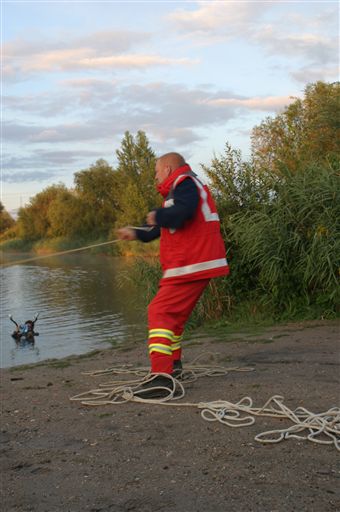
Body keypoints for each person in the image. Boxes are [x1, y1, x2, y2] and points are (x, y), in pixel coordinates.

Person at [117, 152, 229, 398]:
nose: (156, 176)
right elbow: (161, 227)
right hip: (192, 264)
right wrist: (135, 232)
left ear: (168, 169)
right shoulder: (182, 189)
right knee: (173, 318)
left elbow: (183, 212)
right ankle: (173, 368)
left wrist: (158, 214)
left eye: (157, 171)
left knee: (159, 312)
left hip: (191, 263)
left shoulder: (184, 183)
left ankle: (161, 378)